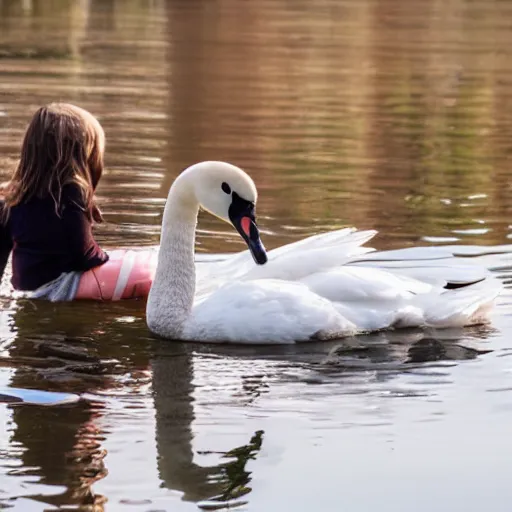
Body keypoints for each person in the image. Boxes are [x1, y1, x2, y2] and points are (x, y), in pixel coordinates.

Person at [0, 103, 155, 301]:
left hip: (26, 287)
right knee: (147, 270)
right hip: (59, 287)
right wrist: (105, 257)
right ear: (82, 156)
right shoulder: (71, 192)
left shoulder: (12, 198)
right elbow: (84, 254)